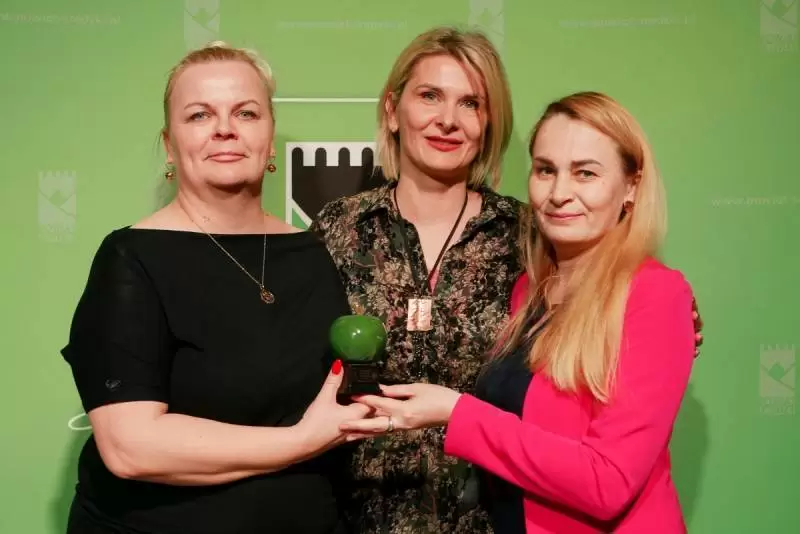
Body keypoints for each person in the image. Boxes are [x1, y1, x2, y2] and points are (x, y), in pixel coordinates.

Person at [343, 91, 699, 533]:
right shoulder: (528, 290)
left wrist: (458, 412)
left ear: (630, 186)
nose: (560, 193)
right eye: (546, 170)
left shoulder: (654, 294)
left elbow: (608, 481)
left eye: (585, 173)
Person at [60, 41, 371, 534]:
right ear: (169, 145)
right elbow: (129, 447)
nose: (225, 128)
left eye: (246, 113)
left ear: (270, 139)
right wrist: (303, 440)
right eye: (200, 115)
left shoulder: (311, 253)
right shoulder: (131, 258)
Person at [309, 26, 523, 532]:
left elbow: (601, 308)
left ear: (488, 123)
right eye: (430, 96)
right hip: (355, 518)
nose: (447, 119)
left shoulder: (527, 237)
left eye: (470, 103)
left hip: (491, 519)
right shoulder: (338, 228)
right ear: (392, 110)